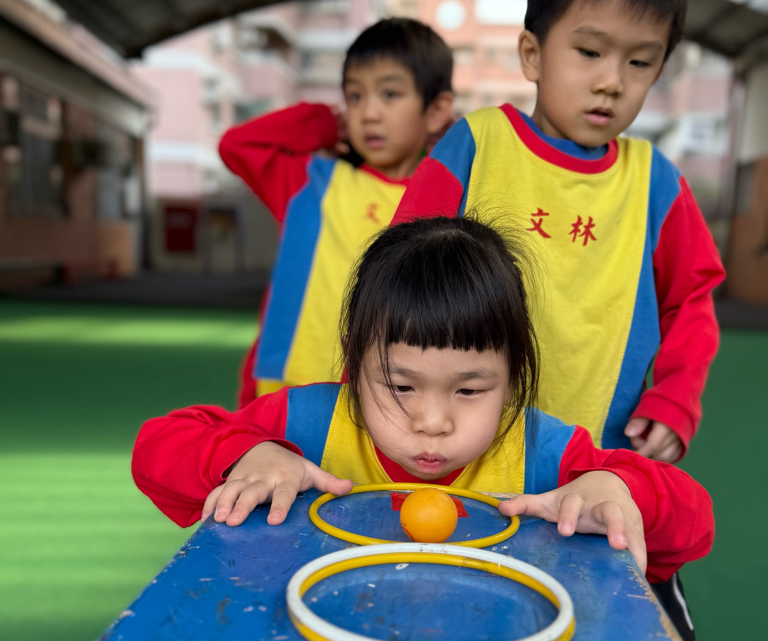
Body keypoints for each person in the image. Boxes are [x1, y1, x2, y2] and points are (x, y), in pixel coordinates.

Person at [132, 216, 714, 605]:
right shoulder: (305, 424)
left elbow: (694, 524)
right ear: (353, 362)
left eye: (469, 391)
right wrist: (249, 454)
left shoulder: (544, 452)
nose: (431, 422)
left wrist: (618, 489)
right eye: (400, 386)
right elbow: (157, 448)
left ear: (513, 377)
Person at [393, 0, 725, 465]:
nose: (611, 81)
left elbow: (691, 302)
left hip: (594, 460)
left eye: (639, 62)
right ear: (532, 54)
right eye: (590, 52)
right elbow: (396, 275)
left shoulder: (657, 184)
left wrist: (675, 398)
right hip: (456, 449)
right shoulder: (476, 146)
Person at [219, 17, 454, 407]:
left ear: (435, 110)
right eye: (355, 96)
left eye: (389, 94)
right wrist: (321, 123)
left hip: (383, 399)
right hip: (284, 389)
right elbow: (236, 146)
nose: (369, 113)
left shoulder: (446, 199)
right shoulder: (310, 183)